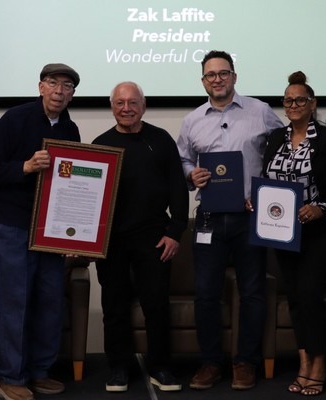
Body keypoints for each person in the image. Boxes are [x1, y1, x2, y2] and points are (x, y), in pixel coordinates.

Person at [177, 50, 283, 391]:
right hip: (209, 218)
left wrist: (267, 191)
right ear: (203, 81)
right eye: (211, 75)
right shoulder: (193, 120)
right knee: (206, 294)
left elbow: (283, 152)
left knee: (252, 292)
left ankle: (245, 363)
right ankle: (210, 363)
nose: (217, 79)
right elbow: (182, 159)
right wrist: (191, 174)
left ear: (234, 77)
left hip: (250, 217)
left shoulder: (260, 111)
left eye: (224, 73)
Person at [0, 63, 80, 400]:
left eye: (67, 86)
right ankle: (11, 376)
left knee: (50, 301)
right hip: (14, 224)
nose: (59, 91)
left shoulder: (70, 129)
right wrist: (24, 166)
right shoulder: (14, 119)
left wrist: (74, 233)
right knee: (17, 301)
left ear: (72, 94)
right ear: (40, 87)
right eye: (53, 83)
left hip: (52, 228)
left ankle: (39, 371)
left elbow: (73, 185)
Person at [260, 71, 326, 396]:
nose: (294, 105)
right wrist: (258, 201)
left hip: (323, 233)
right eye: (288, 101)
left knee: (311, 293)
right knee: (295, 296)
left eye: (300, 100)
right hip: (284, 232)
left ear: (313, 104)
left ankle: (319, 364)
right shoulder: (275, 138)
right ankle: (304, 361)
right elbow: (267, 181)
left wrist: (320, 208)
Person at [92, 82, 189, 392]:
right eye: (120, 103)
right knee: (114, 307)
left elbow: (178, 188)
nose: (127, 108)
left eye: (133, 102)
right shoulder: (100, 144)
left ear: (143, 106)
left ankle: (161, 367)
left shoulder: (161, 140)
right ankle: (119, 368)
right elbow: (88, 198)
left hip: (155, 238)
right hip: (111, 240)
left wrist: (175, 233)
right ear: (112, 107)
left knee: (156, 305)